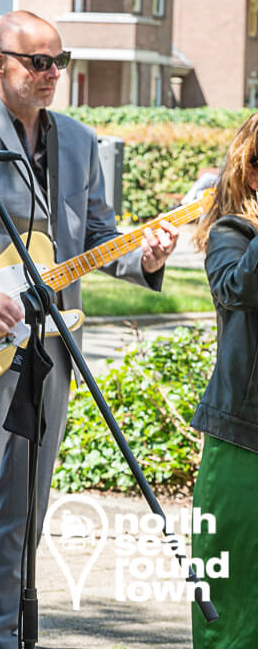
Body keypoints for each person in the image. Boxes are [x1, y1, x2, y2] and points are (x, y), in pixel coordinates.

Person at [0, 10, 179, 649]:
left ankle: (4, 639)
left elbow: (97, 237)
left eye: (59, 62)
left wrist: (144, 256)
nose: (51, 74)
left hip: (52, 347)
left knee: (25, 513)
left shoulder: (77, 140)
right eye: (37, 62)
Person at [189, 112, 258, 649]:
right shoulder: (231, 234)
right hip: (244, 436)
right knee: (230, 588)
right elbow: (236, 289)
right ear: (252, 174)